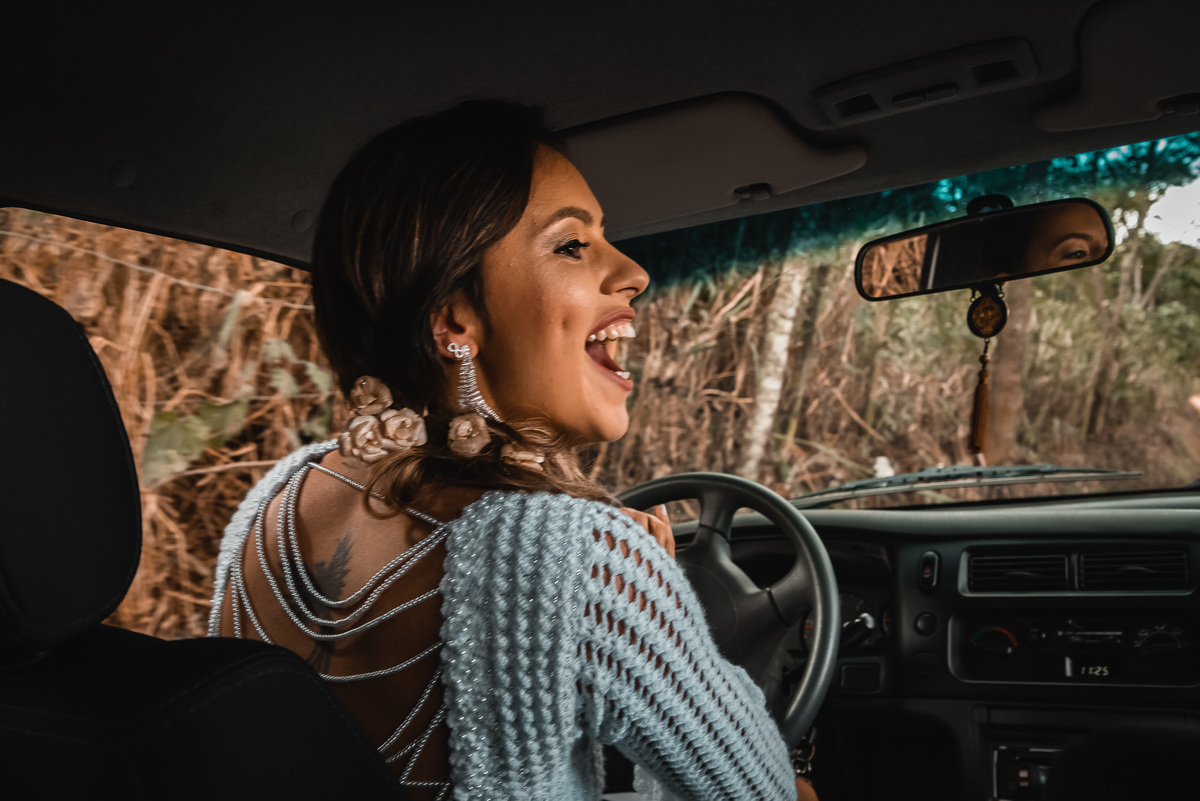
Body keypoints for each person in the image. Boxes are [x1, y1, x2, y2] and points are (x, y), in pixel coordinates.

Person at [208, 100, 812, 801]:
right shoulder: (578, 559)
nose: (635, 273)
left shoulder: (272, 501)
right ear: (455, 319)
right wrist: (660, 625)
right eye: (571, 245)